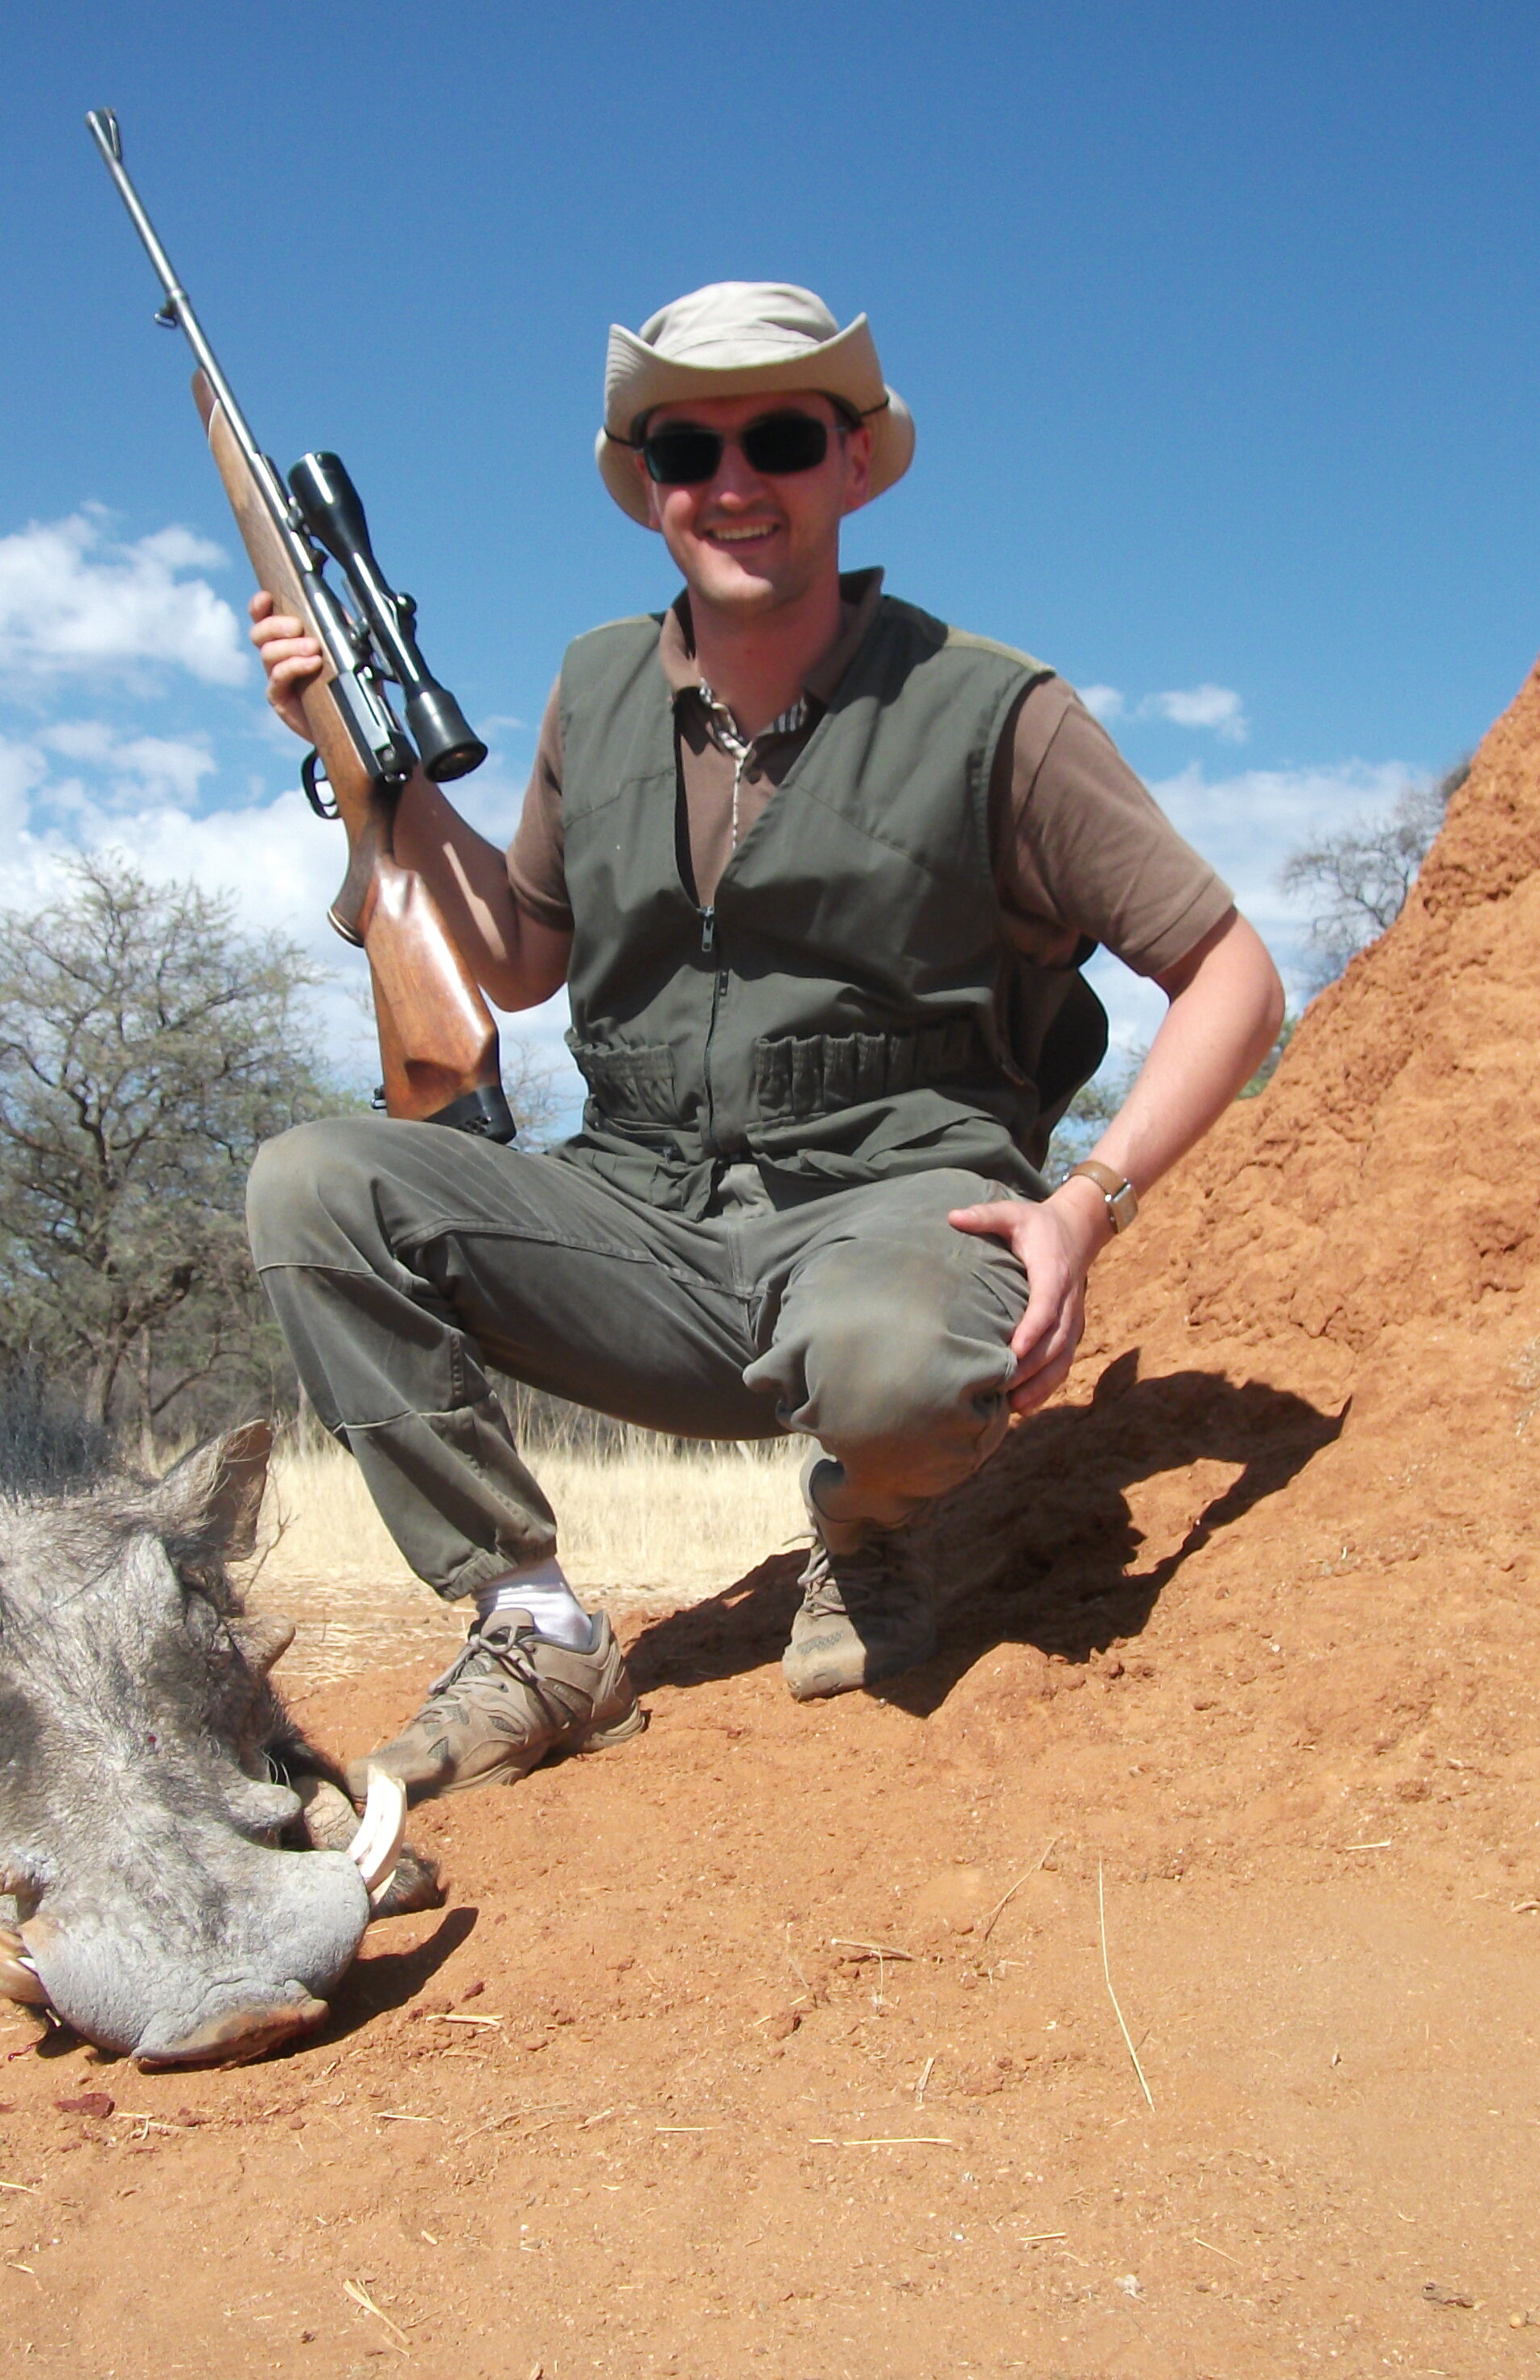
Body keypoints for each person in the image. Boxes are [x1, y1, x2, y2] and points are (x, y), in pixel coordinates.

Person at [245, 281, 1285, 1799]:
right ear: (650, 488)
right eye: (687, 451)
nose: (734, 484)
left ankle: (870, 1522)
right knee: (312, 1186)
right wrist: (368, 779)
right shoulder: (593, 688)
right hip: (643, 1219)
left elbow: (1234, 973)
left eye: (782, 438)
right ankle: (533, 1628)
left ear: (852, 465)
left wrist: (1091, 1201)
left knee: (895, 1369)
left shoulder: (997, 710)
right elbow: (524, 962)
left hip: (890, 1213)